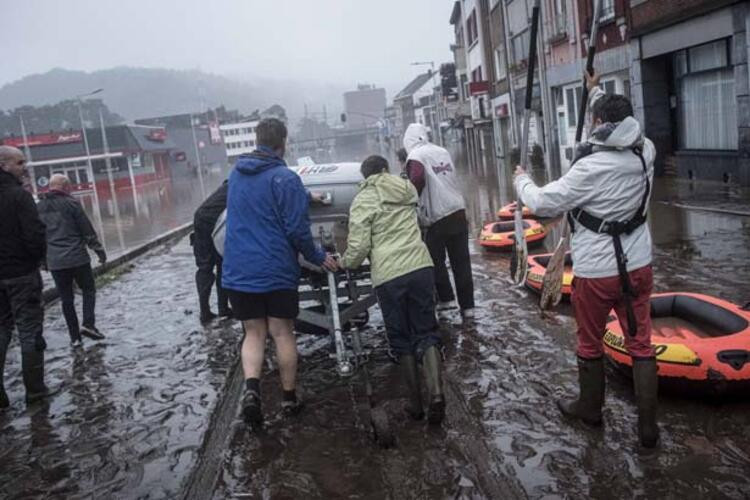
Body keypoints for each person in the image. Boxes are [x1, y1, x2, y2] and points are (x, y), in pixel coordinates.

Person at [513, 70, 658, 448]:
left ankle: (590, 410)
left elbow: (543, 202)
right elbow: (611, 118)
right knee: (641, 343)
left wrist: (521, 181)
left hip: (596, 272)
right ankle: (648, 427)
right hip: (639, 265)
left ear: (597, 125)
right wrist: (594, 91)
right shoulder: (647, 151)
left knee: (589, 341)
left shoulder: (590, 169)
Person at [222, 118, 337, 429]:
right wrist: (317, 256)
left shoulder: (236, 175)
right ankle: (288, 398)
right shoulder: (285, 179)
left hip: (239, 271)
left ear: (257, 141)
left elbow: (257, 205)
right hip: (274, 270)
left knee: (253, 333)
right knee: (282, 332)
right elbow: (296, 230)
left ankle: (252, 393)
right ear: (282, 142)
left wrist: (302, 196)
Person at [341, 155, 446, 424]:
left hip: (389, 276)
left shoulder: (363, 200)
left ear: (364, 177)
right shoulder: (406, 188)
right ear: (386, 169)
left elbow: (359, 247)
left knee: (401, 338)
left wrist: (345, 263)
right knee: (426, 330)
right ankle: (436, 394)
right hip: (421, 266)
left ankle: (416, 405)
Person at [403, 123, 475, 321]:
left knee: (434, 261)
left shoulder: (416, 156)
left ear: (408, 141)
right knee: (462, 263)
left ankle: (446, 300)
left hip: (437, 216)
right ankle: (468, 309)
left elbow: (417, 179)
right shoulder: (441, 150)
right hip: (458, 210)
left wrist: (409, 200)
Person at [0, 146, 49, 407]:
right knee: (30, 332)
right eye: (19, 163)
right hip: (21, 274)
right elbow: (34, 234)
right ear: (4, 165)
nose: (24, 168)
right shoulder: (20, 197)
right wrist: (36, 259)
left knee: (1, 329)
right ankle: (36, 392)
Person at [37, 174, 107, 347]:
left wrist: (42, 261)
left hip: (55, 262)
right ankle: (88, 324)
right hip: (77, 258)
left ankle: (74, 338)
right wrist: (99, 251)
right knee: (88, 290)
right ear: (66, 186)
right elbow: (87, 231)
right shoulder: (72, 204)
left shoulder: (38, 208)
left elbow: (37, 236)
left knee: (66, 298)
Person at [192, 180, 231, 324]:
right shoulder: (246, 184)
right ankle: (209, 311)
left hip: (206, 218)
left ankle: (218, 309)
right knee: (212, 266)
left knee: (216, 265)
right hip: (211, 222)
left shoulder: (233, 180)